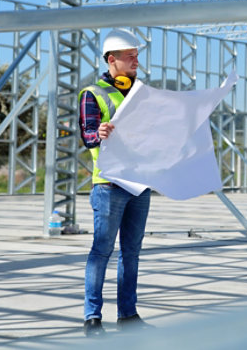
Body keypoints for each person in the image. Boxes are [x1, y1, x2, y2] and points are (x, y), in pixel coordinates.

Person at [78, 28, 152, 337]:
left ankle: (128, 315)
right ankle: (92, 318)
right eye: (130, 57)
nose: (136, 62)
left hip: (139, 185)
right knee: (101, 251)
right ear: (112, 60)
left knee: (131, 252)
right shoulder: (92, 94)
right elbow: (87, 134)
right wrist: (101, 135)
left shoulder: (142, 93)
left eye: (137, 56)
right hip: (108, 184)